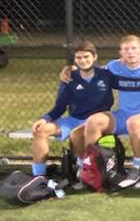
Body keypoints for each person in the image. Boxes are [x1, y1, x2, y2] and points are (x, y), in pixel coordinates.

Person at [78, 35, 140, 187]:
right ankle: (93, 166)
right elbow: (90, 70)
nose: (130, 52)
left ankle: (137, 168)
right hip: (123, 114)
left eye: (134, 48)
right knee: (93, 121)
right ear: (121, 52)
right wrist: (70, 70)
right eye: (126, 49)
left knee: (134, 122)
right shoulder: (114, 66)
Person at [30, 40, 113, 177]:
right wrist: (44, 119)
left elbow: (126, 77)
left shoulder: (106, 75)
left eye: (86, 57)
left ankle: (84, 169)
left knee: (77, 133)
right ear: (74, 60)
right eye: (78, 57)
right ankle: (38, 176)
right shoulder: (69, 78)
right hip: (74, 119)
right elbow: (60, 106)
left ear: (95, 57)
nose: (83, 60)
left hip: (97, 121)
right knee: (40, 131)